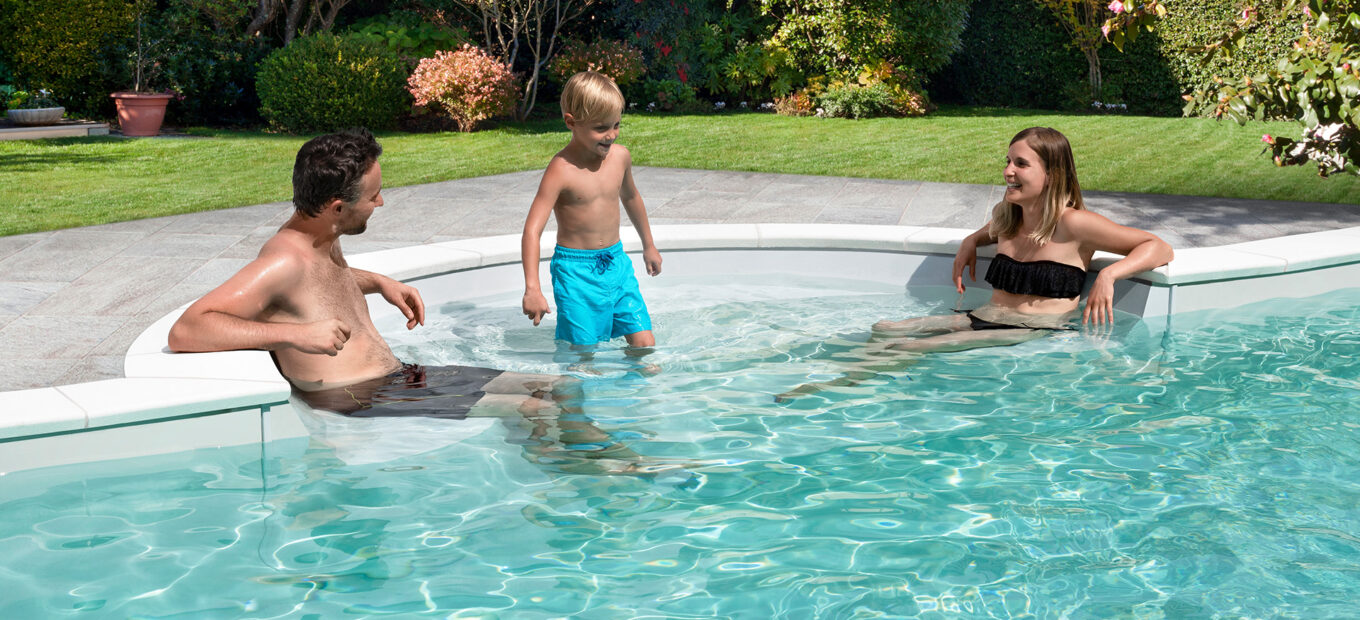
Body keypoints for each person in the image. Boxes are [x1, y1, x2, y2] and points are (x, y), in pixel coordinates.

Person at [165, 129, 638, 469]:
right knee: (533, 406)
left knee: (560, 386)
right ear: (337, 207)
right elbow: (189, 328)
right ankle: (602, 469)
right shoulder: (280, 262)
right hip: (358, 397)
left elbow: (322, 282)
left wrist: (377, 282)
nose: (381, 203)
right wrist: (295, 335)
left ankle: (571, 458)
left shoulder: (317, 240)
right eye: (373, 196)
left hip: (397, 379)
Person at [780, 127, 1174, 399]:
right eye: (1008, 161)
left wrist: (1110, 273)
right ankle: (845, 375)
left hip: (1034, 327)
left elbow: (1158, 246)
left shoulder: (1074, 224)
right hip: (984, 315)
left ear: (1052, 174)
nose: (1008, 172)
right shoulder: (1010, 215)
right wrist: (970, 240)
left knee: (905, 345)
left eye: (1021, 164)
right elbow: (988, 233)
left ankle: (828, 391)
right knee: (884, 328)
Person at [521, 71, 662, 350]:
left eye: (616, 125)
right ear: (571, 122)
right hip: (575, 271)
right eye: (601, 128)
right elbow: (532, 231)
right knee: (583, 353)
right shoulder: (561, 169)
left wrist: (649, 245)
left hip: (616, 263)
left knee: (644, 344)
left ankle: (631, 393)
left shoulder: (620, 157)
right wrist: (533, 288)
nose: (611, 135)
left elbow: (631, 197)